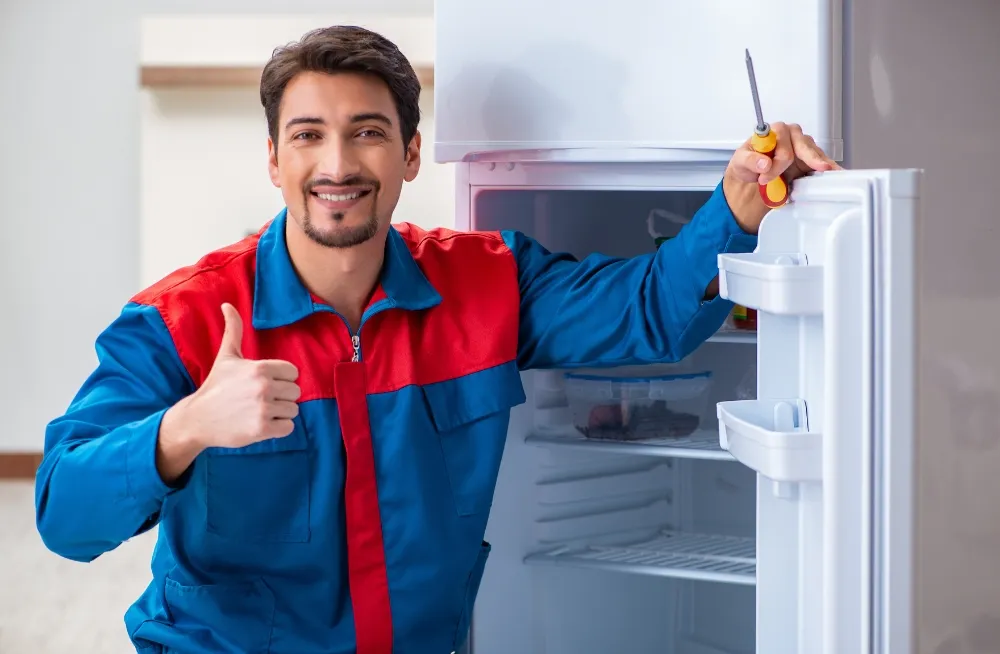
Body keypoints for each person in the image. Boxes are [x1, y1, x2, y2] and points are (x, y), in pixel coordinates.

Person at [34, 24, 840, 654]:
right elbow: (63, 516)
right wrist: (187, 428)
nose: (338, 163)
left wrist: (735, 208)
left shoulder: (484, 284)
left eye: (368, 132)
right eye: (309, 134)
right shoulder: (185, 319)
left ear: (411, 154)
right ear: (274, 158)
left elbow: (646, 312)